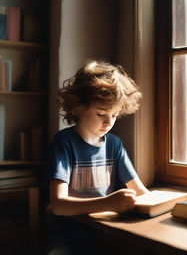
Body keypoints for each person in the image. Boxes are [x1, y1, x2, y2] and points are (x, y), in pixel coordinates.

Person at [45, 60, 149, 254]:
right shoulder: (64, 143)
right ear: (79, 107)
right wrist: (108, 203)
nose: (109, 122)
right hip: (68, 237)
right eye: (101, 113)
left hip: (106, 234)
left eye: (115, 114)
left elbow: (141, 192)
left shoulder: (115, 144)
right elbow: (58, 205)